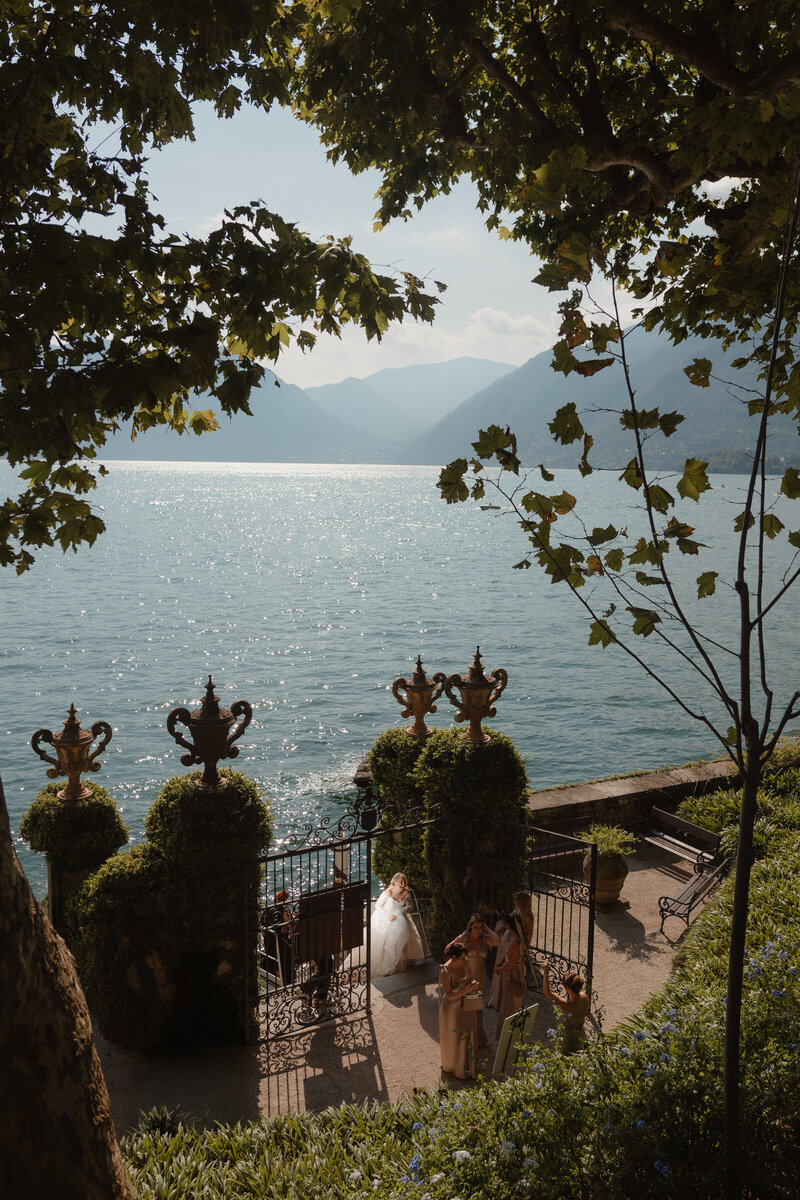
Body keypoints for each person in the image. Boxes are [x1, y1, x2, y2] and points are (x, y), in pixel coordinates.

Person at [456, 913, 500, 1046]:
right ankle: (468, 1038)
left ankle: (479, 1038)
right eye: (475, 927)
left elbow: (497, 940)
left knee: (478, 1007)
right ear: (470, 927)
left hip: (481, 976)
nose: (478, 930)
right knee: (468, 1007)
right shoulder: (465, 938)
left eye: (480, 927)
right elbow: (448, 948)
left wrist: (486, 928)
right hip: (468, 976)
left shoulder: (485, 938)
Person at [438, 941, 480, 1079]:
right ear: (454, 957)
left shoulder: (467, 963)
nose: (466, 960)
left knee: (468, 1033)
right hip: (452, 1010)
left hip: (467, 1005)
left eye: (466, 957)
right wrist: (466, 990)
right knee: (455, 1037)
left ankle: (468, 1066)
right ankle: (454, 1067)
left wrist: (473, 984)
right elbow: (449, 995)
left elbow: (471, 979)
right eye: (462, 958)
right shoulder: (444, 971)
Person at [370, 872, 424, 978]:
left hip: (400, 915)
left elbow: (409, 906)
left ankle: (396, 960)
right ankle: (389, 965)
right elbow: (378, 905)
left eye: (404, 881)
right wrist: (388, 915)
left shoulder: (407, 891)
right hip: (385, 916)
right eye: (401, 881)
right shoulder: (388, 891)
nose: (403, 883)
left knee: (405, 931)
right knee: (390, 937)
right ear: (395, 882)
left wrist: (403, 910)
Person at [540, 962, 590, 1054]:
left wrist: (546, 973)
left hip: (569, 1040)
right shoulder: (585, 997)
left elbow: (547, 992)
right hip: (580, 1035)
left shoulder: (568, 1005)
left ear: (567, 988)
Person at [493, 911, 525, 1036]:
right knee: (507, 1002)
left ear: (506, 924)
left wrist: (499, 970)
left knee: (511, 1003)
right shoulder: (513, 936)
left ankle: (509, 1033)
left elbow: (511, 963)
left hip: (513, 974)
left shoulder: (514, 941)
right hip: (510, 970)